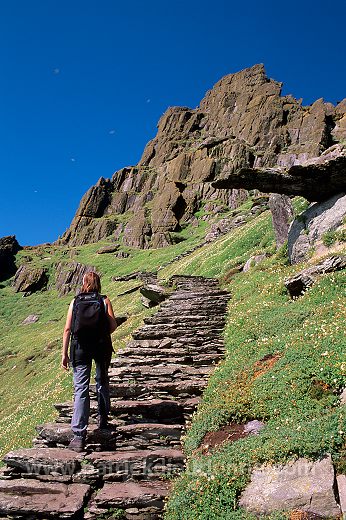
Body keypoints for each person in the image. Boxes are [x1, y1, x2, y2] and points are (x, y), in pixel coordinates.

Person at [61, 271, 117, 452]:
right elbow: (113, 326)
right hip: (101, 346)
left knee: (80, 388)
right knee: (102, 381)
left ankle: (78, 435)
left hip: (79, 348)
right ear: (98, 283)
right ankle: (103, 419)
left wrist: (64, 354)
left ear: (84, 283)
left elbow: (68, 328)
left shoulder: (75, 301)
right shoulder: (104, 300)